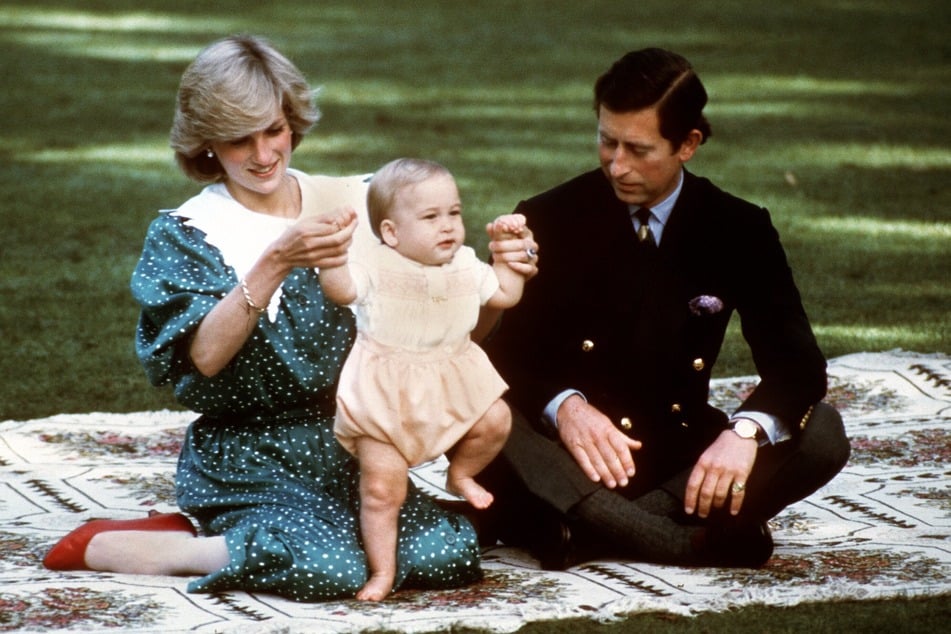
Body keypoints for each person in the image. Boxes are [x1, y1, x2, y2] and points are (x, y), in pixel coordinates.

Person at [41, 35, 538, 602]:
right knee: (329, 568)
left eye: (274, 130)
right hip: (247, 452)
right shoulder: (187, 232)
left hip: (348, 441)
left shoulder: (358, 200)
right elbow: (203, 359)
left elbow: (438, 336)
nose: (262, 154)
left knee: (447, 554)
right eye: (238, 139)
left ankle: (271, 538)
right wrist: (276, 260)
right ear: (206, 143)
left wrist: (501, 280)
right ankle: (172, 547)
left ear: (293, 122)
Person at [478, 47, 851, 569]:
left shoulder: (738, 229)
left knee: (823, 432)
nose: (617, 165)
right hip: (561, 457)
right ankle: (672, 539)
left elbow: (797, 366)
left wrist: (743, 434)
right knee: (476, 403)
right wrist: (566, 407)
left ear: (688, 144)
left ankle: (579, 531)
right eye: (607, 142)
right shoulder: (548, 216)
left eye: (639, 148)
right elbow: (501, 358)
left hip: (676, 458)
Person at [319, 158, 530, 600]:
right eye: (431, 217)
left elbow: (506, 295)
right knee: (381, 489)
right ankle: (382, 571)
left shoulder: (466, 264)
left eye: (453, 212)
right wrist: (332, 257)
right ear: (392, 232)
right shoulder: (375, 263)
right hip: (386, 397)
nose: (449, 226)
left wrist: (510, 252)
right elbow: (341, 291)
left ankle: (461, 474)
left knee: (496, 419)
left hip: (451, 381)